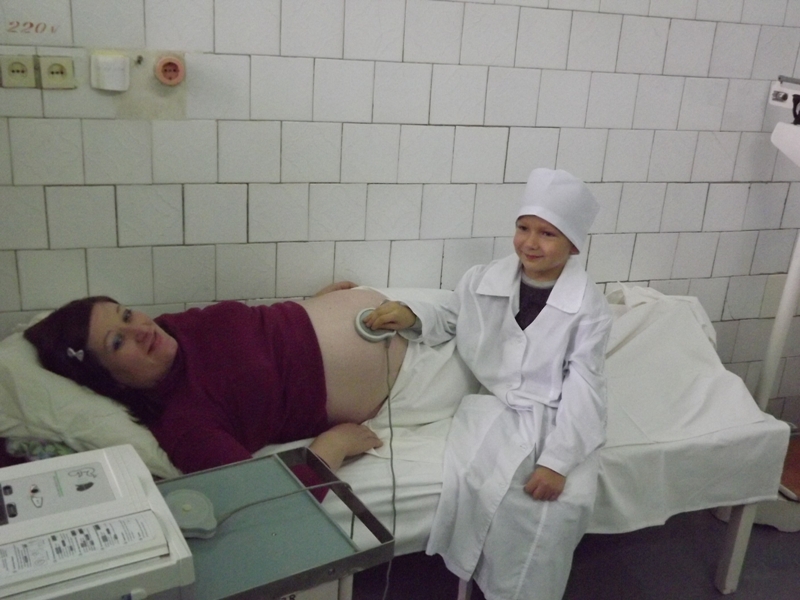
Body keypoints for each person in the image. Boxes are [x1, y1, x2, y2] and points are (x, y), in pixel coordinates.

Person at [365, 168, 613, 600]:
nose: (530, 242)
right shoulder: (483, 280)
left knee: (557, 508)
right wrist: (412, 315)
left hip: (558, 418)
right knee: (486, 484)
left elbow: (586, 385)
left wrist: (558, 461)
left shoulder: (589, 307)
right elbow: (454, 316)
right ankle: (474, 582)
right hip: (494, 407)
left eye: (547, 234)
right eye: (523, 228)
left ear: (573, 244)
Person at [23, 282, 408, 475]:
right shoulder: (184, 427)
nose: (140, 328)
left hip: (396, 309)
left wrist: (315, 305)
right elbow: (267, 503)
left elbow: (250, 340)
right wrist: (333, 447)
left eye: (126, 315)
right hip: (405, 377)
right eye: (118, 341)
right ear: (111, 381)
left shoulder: (168, 329)